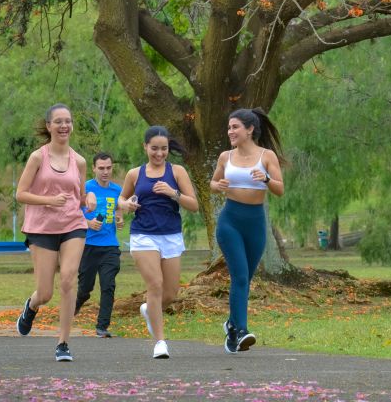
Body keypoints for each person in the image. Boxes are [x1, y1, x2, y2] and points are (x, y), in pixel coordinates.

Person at [15, 103, 96, 362]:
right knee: (46, 292)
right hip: (42, 228)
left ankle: (63, 342)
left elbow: (80, 197)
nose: (64, 126)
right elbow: (20, 194)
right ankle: (32, 305)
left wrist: (90, 198)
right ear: (49, 126)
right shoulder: (38, 157)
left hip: (73, 224)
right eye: (58, 121)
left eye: (68, 121)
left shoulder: (80, 161)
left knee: (69, 279)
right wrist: (49, 201)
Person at [118, 126, 198, 359]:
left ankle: (148, 309)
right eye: (154, 148)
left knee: (171, 293)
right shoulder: (135, 173)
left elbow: (193, 205)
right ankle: (160, 342)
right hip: (143, 235)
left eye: (164, 149)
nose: (159, 153)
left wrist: (173, 193)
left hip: (171, 235)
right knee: (155, 285)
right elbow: (121, 199)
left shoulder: (177, 171)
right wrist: (127, 205)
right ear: (145, 147)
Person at [210, 107, 285, 354]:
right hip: (230, 221)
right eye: (229, 127)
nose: (230, 131)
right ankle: (241, 330)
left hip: (255, 224)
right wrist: (218, 185)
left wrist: (264, 179)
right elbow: (213, 184)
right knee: (240, 276)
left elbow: (279, 189)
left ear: (250, 129)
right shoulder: (225, 157)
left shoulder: (266, 156)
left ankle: (231, 326)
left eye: (235, 127)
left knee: (246, 278)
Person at [74, 152, 124, 338]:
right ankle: (75, 305)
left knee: (108, 285)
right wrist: (88, 223)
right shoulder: (85, 188)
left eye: (108, 168)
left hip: (110, 245)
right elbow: (71, 212)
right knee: (85, 288)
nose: (105, 172)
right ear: (94, 168)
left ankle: (102, 326)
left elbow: (118, 210)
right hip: (87, 245)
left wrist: (119, 220)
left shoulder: (117, 190)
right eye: (101, 168)